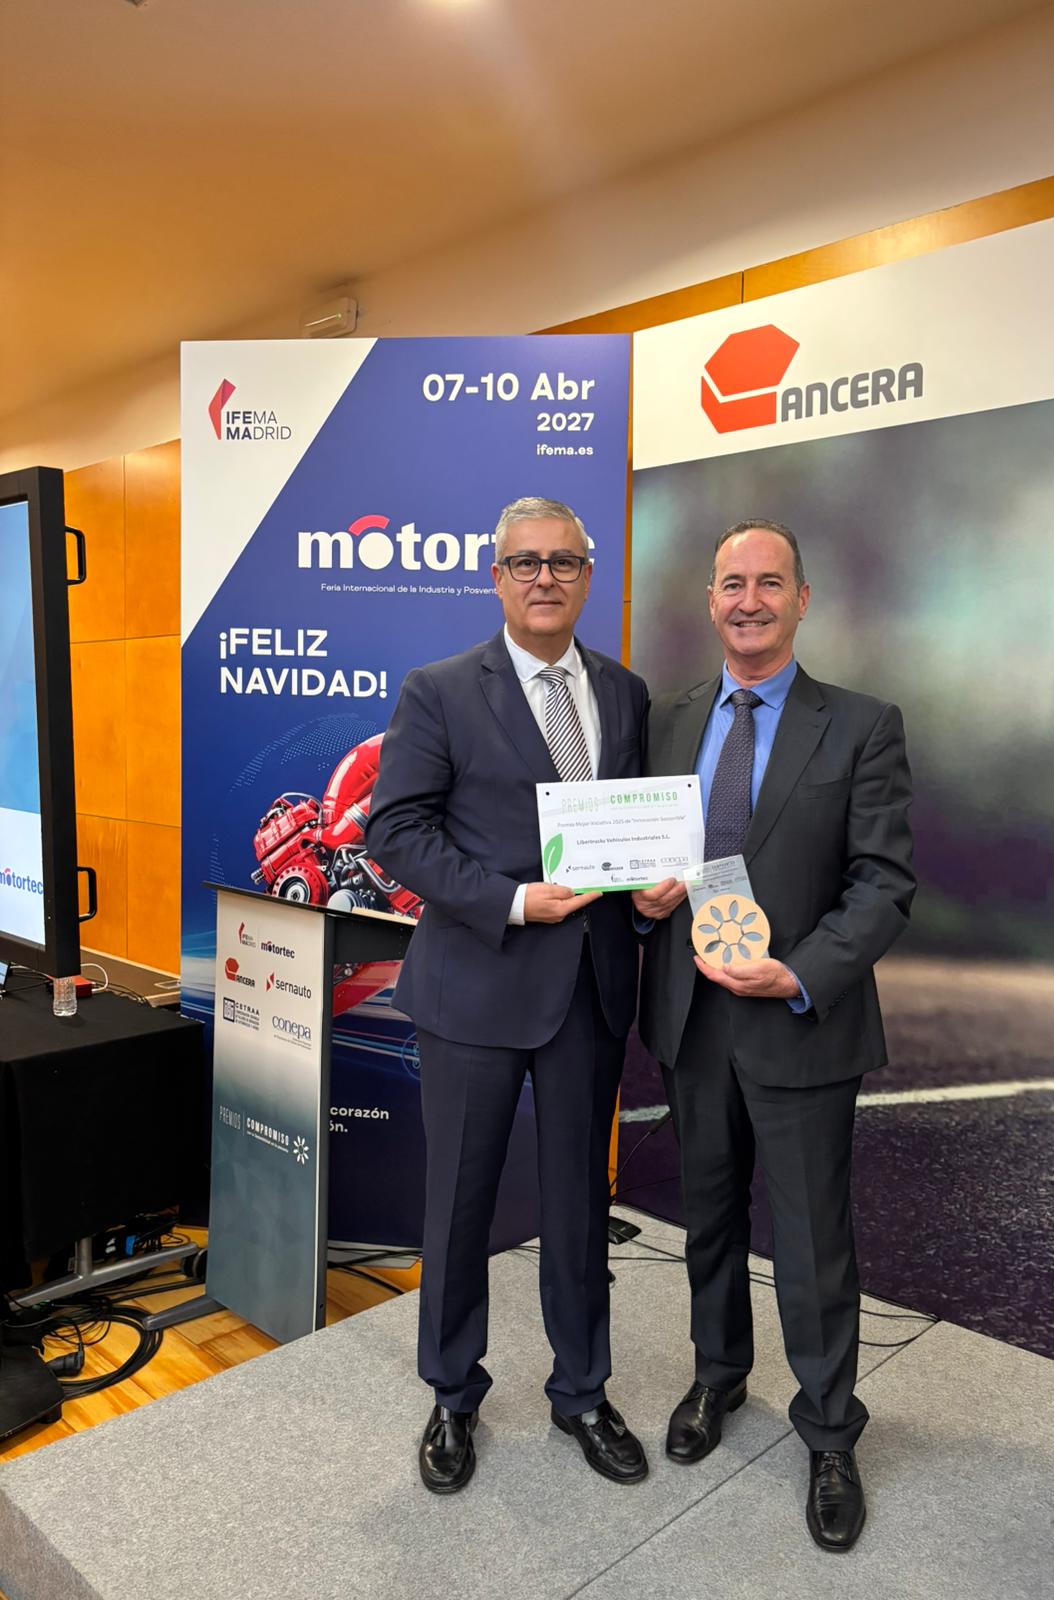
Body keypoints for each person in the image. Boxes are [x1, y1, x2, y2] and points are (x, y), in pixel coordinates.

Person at [632, 518, 915, 1552]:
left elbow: (884, 882)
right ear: (710, 600)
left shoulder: (863, 725)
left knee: (811, 1240)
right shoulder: (667, 721)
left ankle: (830, 1431)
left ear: (802, 599)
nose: (747, 600)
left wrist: (801, 971)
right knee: (707, 1222)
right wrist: (642, 904)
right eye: (731, 583)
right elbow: (643, 862)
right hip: (694, 1019)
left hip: (800, 1021)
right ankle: (718, 1377)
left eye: (768, 582)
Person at [365, 495, 650, 1494]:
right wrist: (514, 900)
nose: (544, 578)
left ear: (587, 575)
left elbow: (633, 829)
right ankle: (453, 1394)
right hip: (476, 986)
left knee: (579, 1205)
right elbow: (395, 831)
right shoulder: (440, 690)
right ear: (496, 577)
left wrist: (650, 888)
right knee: (460, 1205)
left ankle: (583, 1392)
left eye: (563, 561)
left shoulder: (625, 692)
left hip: (589, 990)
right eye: (524, 562)